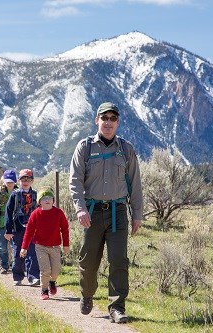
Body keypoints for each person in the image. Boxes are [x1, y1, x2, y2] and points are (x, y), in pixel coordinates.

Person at [69, 102, 143, 324]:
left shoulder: (126, 149)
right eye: (105, 118)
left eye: (113, 118)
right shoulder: (85, 147)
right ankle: (87, 294)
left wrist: (137, 214)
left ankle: (117, 307)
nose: (108, 122)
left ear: (118, 122)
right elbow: (74, 182)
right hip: (92, 212)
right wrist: (80, 209)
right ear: (97, 121)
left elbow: (135, 183)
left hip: (118, 212)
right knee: (88, 260)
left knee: (119, 260)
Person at [20, 187, 70, 300]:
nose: (47, 200)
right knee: (45, 270)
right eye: (44, 198)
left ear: (53, 200)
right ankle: (44, 289)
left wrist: (66, 245)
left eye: (49, 198)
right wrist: (24, 247)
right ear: (39, 202)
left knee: (56, 270)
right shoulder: (35, 214)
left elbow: (65, 229)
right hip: (40, 246)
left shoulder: (58, 213)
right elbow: (29, 232)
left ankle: (52, 282)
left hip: (55, 247)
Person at [4, 169, 40, 286]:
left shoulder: (35, 195)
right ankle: (17, 276)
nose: (25, 182)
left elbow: (40, 212)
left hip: (32, 228)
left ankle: (33, 276)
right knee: (18, 252)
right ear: (18, 181)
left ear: (32, 181)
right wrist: (8, 230)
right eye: (23, 179)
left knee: (32, 252)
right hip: (17, 228)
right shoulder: (15, 195)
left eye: (28, 179)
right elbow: (8, 212)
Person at [0, 169, 18, 273]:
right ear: (4, 181)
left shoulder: (18, 192)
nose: (10, 183)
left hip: (15, 223)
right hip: (2, 222)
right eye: (8, 181)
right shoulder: (0, 191)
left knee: (14, 246)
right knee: (2, 246)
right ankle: (4, 266)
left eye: (12, 181)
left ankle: (15, 266)